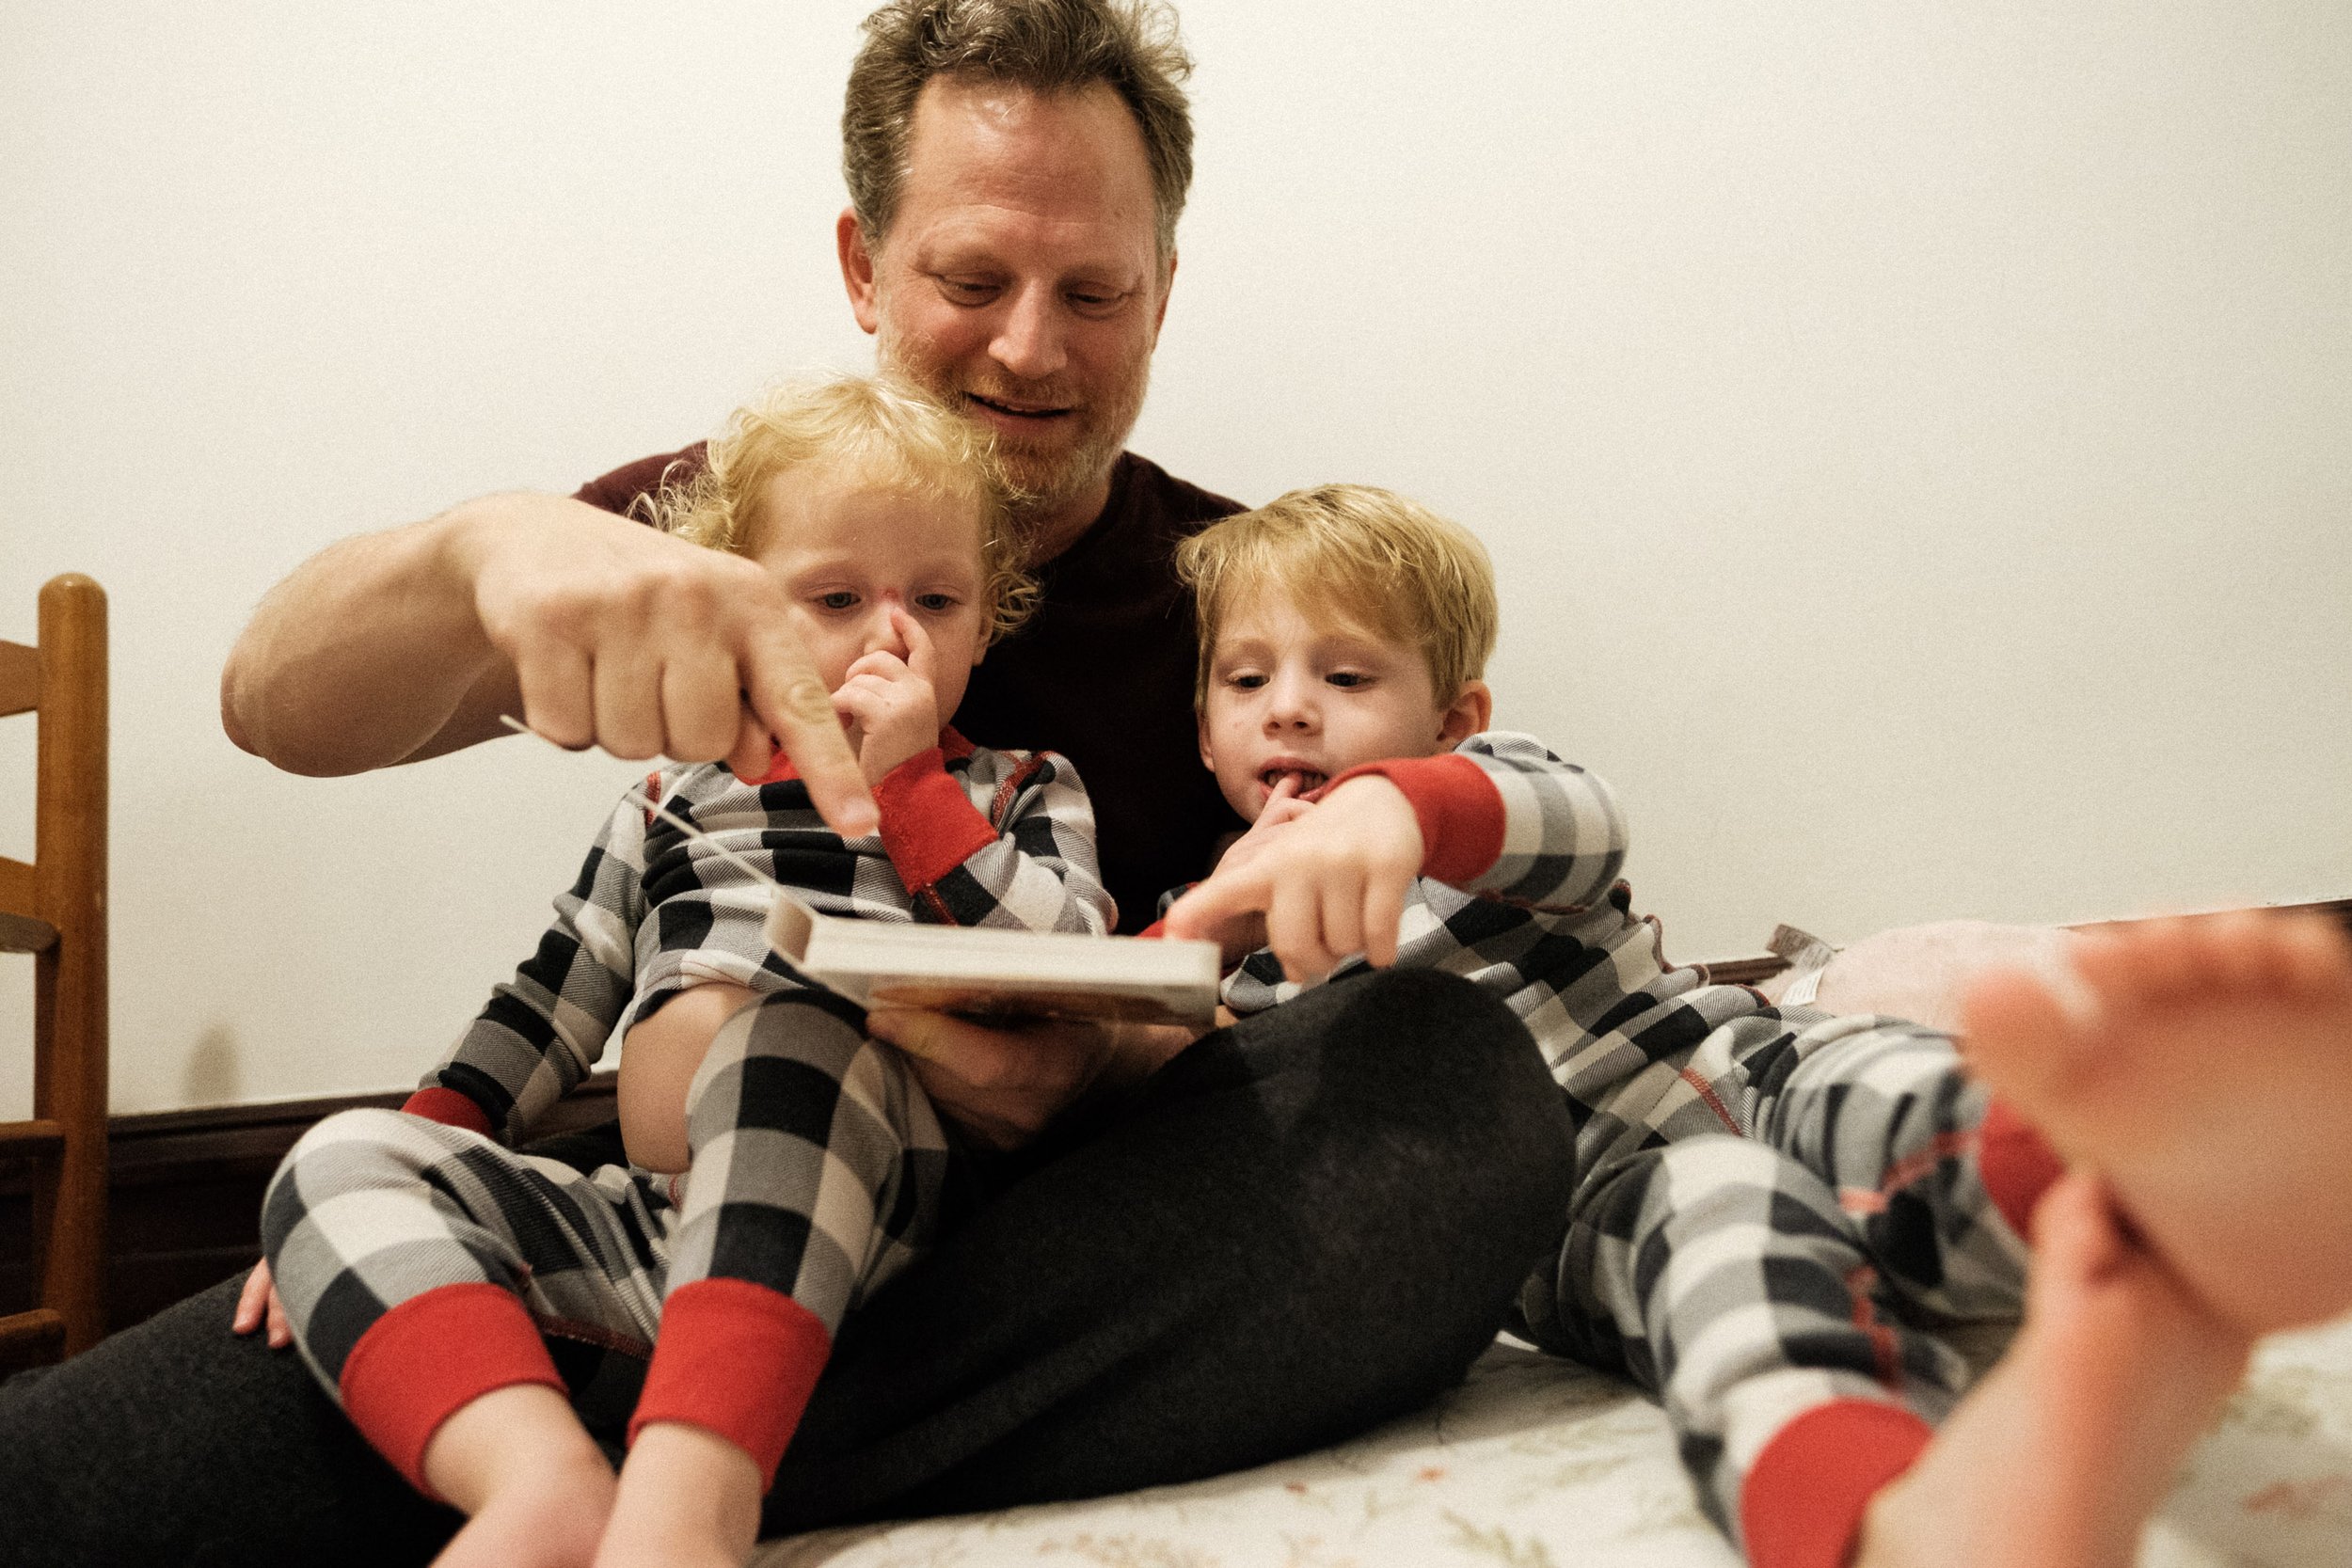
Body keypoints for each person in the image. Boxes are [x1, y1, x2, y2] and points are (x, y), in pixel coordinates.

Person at [0, 6, 1575, 1563]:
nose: (1032, 344)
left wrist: (1092, 1069)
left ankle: (670, 1450)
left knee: (1455, 1082)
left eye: (1093, 290)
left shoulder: (1247, 608)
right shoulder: (718, 526)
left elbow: (1427, 892)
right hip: (697, 1219)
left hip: (1064, 1237)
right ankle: (662, 1429)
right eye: (972, 280)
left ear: (1163, 291)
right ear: (861, 266)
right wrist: (482, 548)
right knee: (101, 1437)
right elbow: (272, 701)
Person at [1153, 483, 2352, 1568]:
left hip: (1733, 1060)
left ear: (1453, 719)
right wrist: (1185, 967)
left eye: (1348, 679)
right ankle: (1901, 1520)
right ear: (1204, 730)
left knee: (1888, 1086)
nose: (1291, 712)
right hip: (1581, 1209)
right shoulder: (1216, 937)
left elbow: (1581, 816)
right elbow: (1141, 1084)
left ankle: (2169, 1184)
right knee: (1726, 1267)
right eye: (1246, 680)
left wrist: (1396, 808)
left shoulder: (1477, 810)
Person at [256, 372, 1131, 1568]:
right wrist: (437, 1136)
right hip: (658, 1228)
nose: (894, 634)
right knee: (341, 1157)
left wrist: (915, 792)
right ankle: (536, 1481)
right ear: (735, 616)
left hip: (889, 1227)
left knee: (786, 1037)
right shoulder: (678, 798)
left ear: (987, 622)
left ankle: (688, 1510)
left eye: (938, 598)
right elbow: (547, 999)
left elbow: (1070, 960)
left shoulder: (1017, 787)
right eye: (835, 596)